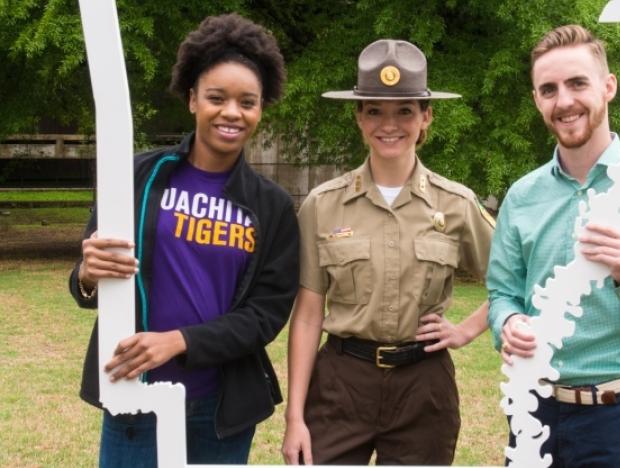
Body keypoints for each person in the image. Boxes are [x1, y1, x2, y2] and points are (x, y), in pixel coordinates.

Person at [68, 14, 299, 466]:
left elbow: (265, 315)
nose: (232, 112)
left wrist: (180, 341)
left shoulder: (271, 206)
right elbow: (87, 283)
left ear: (261, 109)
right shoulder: (136, 176)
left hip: (221, 410)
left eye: (247, 102)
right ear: (192, 99)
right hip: (133, 397)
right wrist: (87, 275)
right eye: (217, 97)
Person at [487, 25, 620, 466]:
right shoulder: (521, 197)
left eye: (577, 83)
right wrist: (506, 321)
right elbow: (501, 293)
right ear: (537, 100)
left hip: (619, 421)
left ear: (608, 87)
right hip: (532, 413)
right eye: (549, 89)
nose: (564, 101)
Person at [281, 39, 495, 465]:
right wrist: (294, 416)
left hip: (423, 387)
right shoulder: (323, 205)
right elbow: (307, 314)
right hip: (341, 383)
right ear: (359, 118)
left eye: (405, 111)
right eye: (374, 110)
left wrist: (467, 329)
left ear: (426, 117)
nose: (389, 124)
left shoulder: (456, 203)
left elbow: (517, 277)